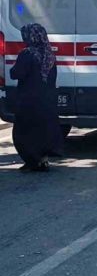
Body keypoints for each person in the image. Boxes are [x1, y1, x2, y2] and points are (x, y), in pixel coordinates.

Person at [11, 23, 62, 171]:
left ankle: (32, 160)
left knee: (24, 132)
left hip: (29, 101)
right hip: (47, 100)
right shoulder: (50, 55)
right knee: (42, 131)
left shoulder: (27, 54)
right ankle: (43, 159)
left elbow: (16, 74)